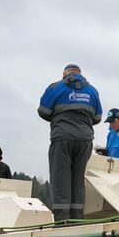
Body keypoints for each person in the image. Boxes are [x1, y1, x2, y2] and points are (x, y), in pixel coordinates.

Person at [37, 63, 102, 222]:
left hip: (62, 139)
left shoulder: (56, 88)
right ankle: (77, 221)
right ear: (80, 74)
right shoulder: (92, 91)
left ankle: (62, 223)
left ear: (64, 75)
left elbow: (43, 111)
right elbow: (97, 117)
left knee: (61, 181)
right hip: (85, 140)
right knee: (78, 181)